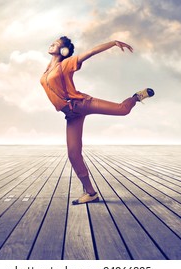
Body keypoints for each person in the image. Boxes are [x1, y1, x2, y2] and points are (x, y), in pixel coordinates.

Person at [40, 36, 155, 205]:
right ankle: (91, 193)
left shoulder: (66, 64)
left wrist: (113, 43)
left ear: (64, 51)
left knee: (122, 110)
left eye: (56, 44)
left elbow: (91, 52)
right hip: (71, 115)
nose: (52, 43)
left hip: (82, 104)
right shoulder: (47, 69)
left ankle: (136, 97)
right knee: (73, 154)